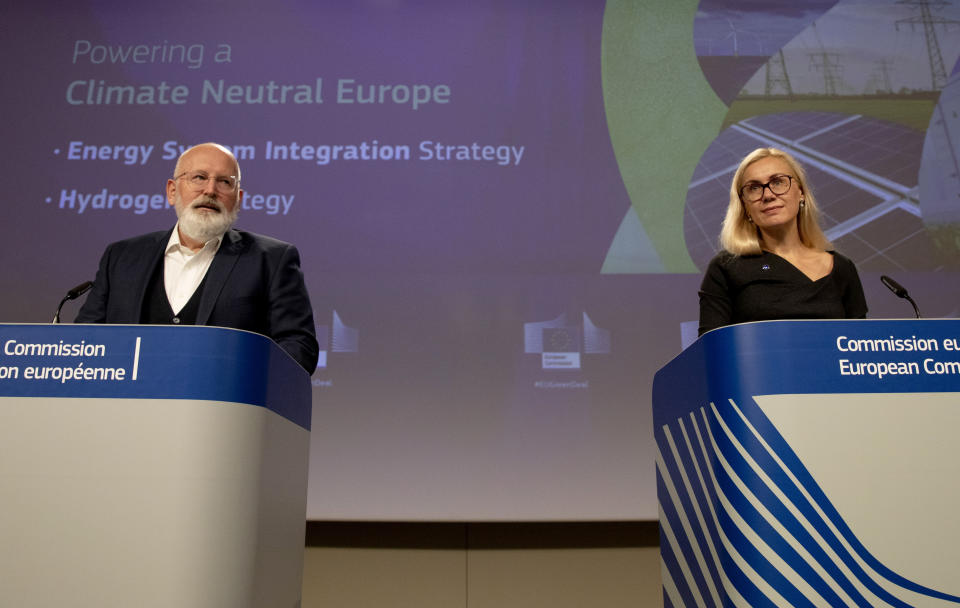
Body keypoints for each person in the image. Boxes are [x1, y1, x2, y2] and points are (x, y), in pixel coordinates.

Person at [75, 142, 319, 373]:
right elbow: (83, 341)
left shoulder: (271, 260)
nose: (210, 190)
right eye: (199, 178)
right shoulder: (121, 257)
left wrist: (246, 382)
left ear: (239, 199)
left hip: (224, 411)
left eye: (224, 182)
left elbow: (298, 347)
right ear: (172, 191)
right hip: (125, 408)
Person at [698, 147, 867, 336]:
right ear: (745, 206)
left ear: (801, 192)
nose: (768, 195)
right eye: (754, 188)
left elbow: (858, 349)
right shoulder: (726, 268)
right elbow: (710, 351)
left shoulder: (842, 268)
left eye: (778, 182)